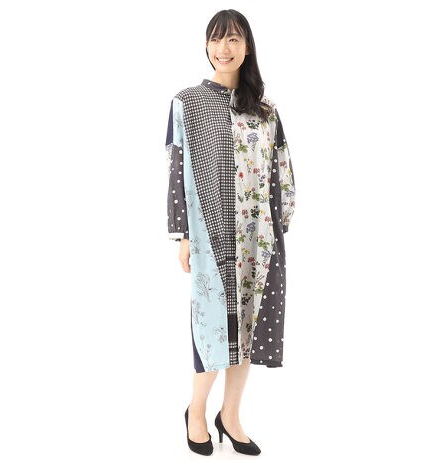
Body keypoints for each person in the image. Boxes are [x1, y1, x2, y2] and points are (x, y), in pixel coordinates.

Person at [166, 9, 296, 456]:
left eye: (234, 39)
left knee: (249, 329)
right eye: (217, 39)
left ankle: (231, 415)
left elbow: (282, 171)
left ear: (247, 46)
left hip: (258, 237)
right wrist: (183, 234)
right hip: (210, 235)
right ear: (206, 45)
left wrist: (279, 227)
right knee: (212, 329)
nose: (224, 48)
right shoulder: (187, 103)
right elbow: (178, 170)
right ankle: (196, 412)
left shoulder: (265, 110)